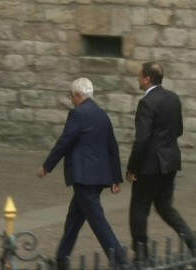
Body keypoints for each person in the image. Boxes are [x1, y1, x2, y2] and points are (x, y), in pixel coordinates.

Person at [36, 78, 128, 269]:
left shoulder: (78, 114)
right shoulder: (102, 115)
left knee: (97, 219)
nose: (71, 100)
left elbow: (65, 141)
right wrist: (115, 179)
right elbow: (112, 147)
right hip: (99, 176)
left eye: (71, 96)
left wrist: (47, 166)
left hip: (84, 176)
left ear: (78, 95)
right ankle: (62, 258)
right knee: (74, 218)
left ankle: (119, 258)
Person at [126, 62, 196, 262]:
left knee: (139, 207)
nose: (137, 79)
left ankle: (141, 254)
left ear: (147, 79)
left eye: (139, 75)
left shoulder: (147, 103)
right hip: (169, 162)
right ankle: (193, 243)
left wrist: (132, 168)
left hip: (149, 166)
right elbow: (178, 130)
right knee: (165, 206)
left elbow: (141, 139)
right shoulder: (173, 98)